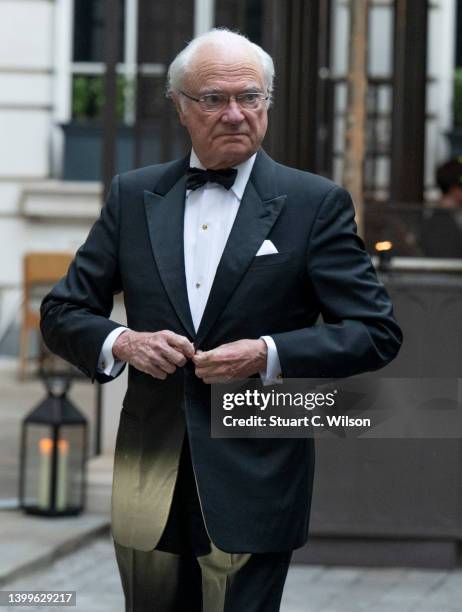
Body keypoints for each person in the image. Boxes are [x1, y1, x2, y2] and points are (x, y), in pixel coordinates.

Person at [40, 28, 402, 612]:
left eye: (250, 97)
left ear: (267, 103)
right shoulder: (134, 196)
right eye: (213, 99)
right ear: (181, 107)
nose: (235, 114)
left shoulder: (315, 203)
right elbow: (62, 311)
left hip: (255, 464)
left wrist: (267, 353)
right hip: (148, 468)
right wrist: (122, 340)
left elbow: (374, 331)